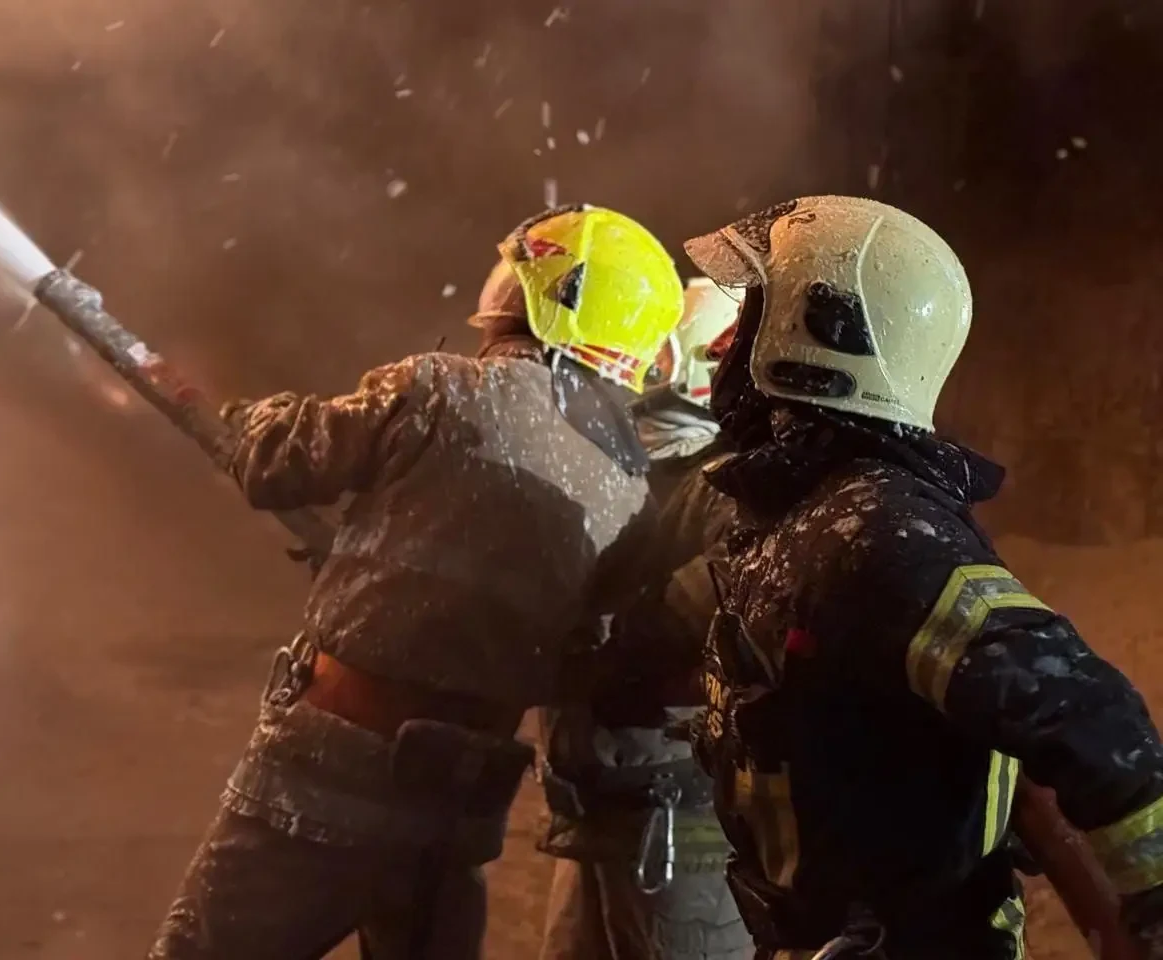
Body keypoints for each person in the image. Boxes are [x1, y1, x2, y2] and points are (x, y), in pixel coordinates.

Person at [147, 204, 686, 960]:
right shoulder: (631, 491)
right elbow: (576, 654)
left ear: (533, 300)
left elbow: (276, 461)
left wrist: (250, 419)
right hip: (454, 821)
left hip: (323, 786)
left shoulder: (439, 388)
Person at [681, 195, 1163, 959]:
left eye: (751, 320)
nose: (724, 350)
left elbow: (1079, 706)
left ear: (820, 337)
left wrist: (1151, 901)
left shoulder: (878, 532)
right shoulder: (807, 510)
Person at [536, 277, 755, 960]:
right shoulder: (625, 470)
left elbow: (695, 635)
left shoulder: (734, 486)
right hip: (604, 812)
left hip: (679, 825)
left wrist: (596, 668)